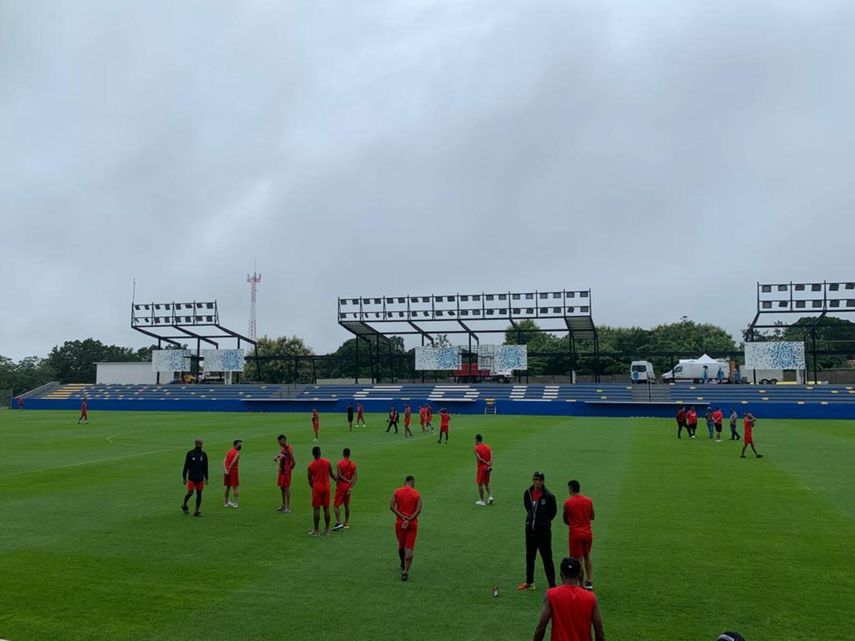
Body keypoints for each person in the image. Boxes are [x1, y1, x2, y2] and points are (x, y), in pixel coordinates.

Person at [532, 557, 605, 641]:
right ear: (579, 575)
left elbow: (541, 626)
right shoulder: (591, 597)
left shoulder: (551, 595)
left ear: (561, 574)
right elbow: (599, 631)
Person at [519, 471, 558, 591]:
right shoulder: (528, 493)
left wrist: (543, 522)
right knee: (530, 557)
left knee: (547, 558)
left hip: (543, 532)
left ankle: (552, 585)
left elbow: (553, 512)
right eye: (535, 479)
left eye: (540, 480)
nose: (537, 482)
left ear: (543, 481)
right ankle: (529, 582)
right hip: (530, 530)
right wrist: (531, 521)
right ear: (533, 480)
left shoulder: (549, 496)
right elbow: (528, 508)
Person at [390, 475, 423, 581]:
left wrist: (402, 516)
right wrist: (409, 519)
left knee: (401, 546)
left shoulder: (397, 492)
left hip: (400, 523)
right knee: (409, 548)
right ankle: (405, 572)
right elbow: (418, 510)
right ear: (412, 482)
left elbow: (391, 506)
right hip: (412, 524)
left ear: (405, 481)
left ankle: (403, 563)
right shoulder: (417, 494)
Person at [563, 480, 595, 590]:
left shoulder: (568, 503)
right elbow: (592, 516)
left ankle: (580, 583)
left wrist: (573, 523)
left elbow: (565, 519)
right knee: (587, 556)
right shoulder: (588, 501)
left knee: (578, 559)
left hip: (575, 534)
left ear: (571, 489)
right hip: (588, 533)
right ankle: (589, 581)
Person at [307, 446, 336, 535]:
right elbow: (332, 475)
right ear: (320, 452)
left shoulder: (311, 465)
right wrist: (338, 479)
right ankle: (327, 530)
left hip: (317, 488)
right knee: (326, 508)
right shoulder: (327, 462)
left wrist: (314, 487)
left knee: (316, 509)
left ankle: (316, 530)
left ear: (313, 454)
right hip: (326, 488)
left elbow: (309, 480)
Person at [182, 439, 209, 517]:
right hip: (191, 477)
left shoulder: (203, 454)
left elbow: (205, 467)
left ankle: (196, 511)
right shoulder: (190, 454)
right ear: (196, 444)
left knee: (199, 494)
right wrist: (184, 477)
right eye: (200, 444)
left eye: (202, 444)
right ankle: (184, 505)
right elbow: (186, 466)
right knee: (190, 493)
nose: (201, 445)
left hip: (200, 478)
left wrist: (206, 478)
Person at [333, 447, 358, 531]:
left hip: (341, 486)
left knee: (336, 505)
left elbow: (339, 476)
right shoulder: (353, 465)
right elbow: (355, 477)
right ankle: (346, 522)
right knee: (347, 505)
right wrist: (351, 486)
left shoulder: (339, 464)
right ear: (349, 454)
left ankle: (338, 522)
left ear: (343, 454)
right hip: (348, 487)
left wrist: (345, 480)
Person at [274, 434, 296, 513]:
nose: (279, 443)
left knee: (286, 488)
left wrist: (290, 470)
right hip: (281, 471)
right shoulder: (282, 448)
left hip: (286, 472)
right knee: (282, 488)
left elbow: (294, 462)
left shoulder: (289, 449)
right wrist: (276, 457)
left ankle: (288, 507)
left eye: (279, 441)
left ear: (283, 440)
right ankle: (283, 505)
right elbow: (281, 454)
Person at [474, 434, 494, 506]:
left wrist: (485, 463)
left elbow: (479, 458)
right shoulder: (488, 446)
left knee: (480, 484)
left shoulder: (476, 448)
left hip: (481, 468)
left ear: (477, 440)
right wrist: (489, 464)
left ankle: (482, 500)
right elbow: (492, 456)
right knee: (486, 483)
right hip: (488, 468)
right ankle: (490, 496)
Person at [223, 439, 242, 508]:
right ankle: (235, 503)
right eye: (239, 444)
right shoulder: (237, 452)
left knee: (228, 487)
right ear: (235, 445)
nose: (240, 445)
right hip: (233, 471)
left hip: (227, 471)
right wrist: (229, 469)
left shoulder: (228, 451)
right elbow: (233, 462)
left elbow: (224, 461)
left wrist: (225, 469)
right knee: (235, 487)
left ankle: (226, 502)